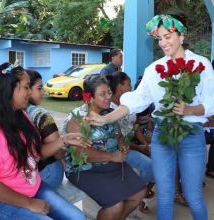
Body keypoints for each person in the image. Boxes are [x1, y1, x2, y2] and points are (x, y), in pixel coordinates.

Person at [88, 14, 214, 220]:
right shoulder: (154, 70)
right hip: (163, 135)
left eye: (167, 36)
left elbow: (212, 103)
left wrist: (189, 110)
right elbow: (135, 101)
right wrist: (104, 118)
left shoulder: (202, 65)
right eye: (159, 39)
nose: (163, 43)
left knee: (193, 197)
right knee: (164, 196)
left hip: (191, 136)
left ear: (181, 36)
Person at [0, 63, 87, 219]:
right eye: (26, 87)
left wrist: (64, 140)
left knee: (78, 218)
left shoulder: (21, 116)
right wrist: (29, 204)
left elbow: (36, 153)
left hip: (34, 188)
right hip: (3, 200)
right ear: (8, 89)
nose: (30, 92)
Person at [62, 74, 147, 220]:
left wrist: (122, 146)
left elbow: (118, 136)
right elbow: (80, 153)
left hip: (112, 164)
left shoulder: (108, 114)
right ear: (90, 97)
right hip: (85, 169)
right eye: (102, 94)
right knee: (115, 205)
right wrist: (112, 156)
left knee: (139, 193)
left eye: (109, 92)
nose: (108, 96)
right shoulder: (77, 119)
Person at [107, 71, 155, 213]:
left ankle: (141, 194)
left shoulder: (128, 104)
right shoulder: (110, 108)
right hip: (117, 150)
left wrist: (146, 145)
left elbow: (136, 129)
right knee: (151, 166)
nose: (131, 88)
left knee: (161, 160)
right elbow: (118, 140)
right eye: (128, 84)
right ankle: (139, 196)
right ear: (120, 87)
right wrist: (141, 148)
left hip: (131, 146)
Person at [26, 69, 64, 190]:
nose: (43, 92)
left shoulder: (9, 111)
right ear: (27, 88)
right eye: (39, 88)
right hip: (47, 171)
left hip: (29, 174)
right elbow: (57, 151)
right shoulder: (40, 114)